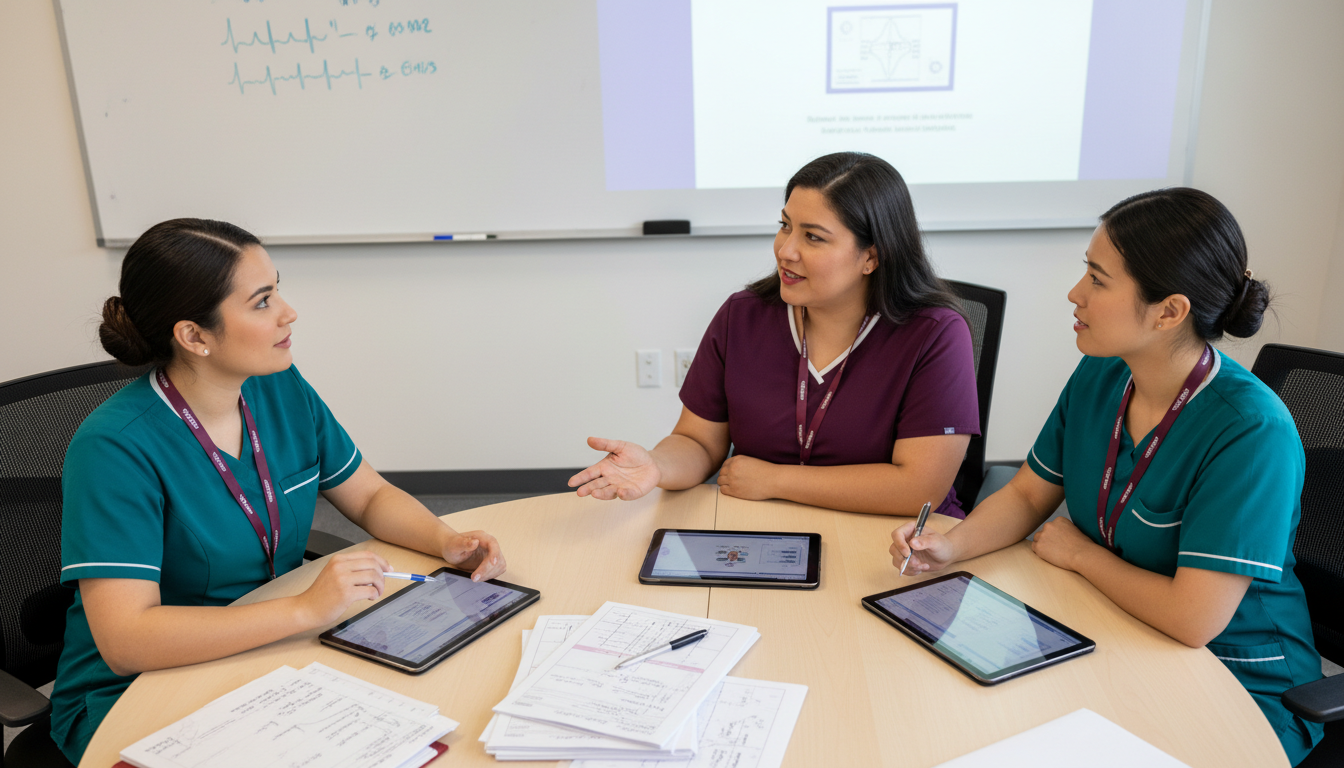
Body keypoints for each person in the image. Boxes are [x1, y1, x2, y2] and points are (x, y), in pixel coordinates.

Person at [51, 219, 508, 764]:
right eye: (263, 301)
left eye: (277, 290)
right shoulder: (114, 447)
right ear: (194, 336)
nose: (289, 312)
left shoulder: (279, 386)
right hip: (145, 688)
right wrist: (303, 611)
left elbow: (367, 496)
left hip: (276, 650)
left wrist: (444, 539)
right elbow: (127, 640)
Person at [891, 188, 1323, 764]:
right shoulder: (1101, 373)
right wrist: (949, 544)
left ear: (1169, 312)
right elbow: (1025, 494)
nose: (1076, 294)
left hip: (1237, 685)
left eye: (1098, 279)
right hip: (1118, 633)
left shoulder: (1250, 430)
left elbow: (1193, 620)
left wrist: (1079, 555)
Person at [569, 152, 980, 517]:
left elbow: (918, 489)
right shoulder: (743, 316)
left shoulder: (935, 334)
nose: (785, 249)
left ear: (871, 256)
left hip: (896, 543)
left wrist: (774, 481)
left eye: (813, 237)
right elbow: (698, 441)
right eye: (785, 226)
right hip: (764, 529)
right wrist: (657, 466)